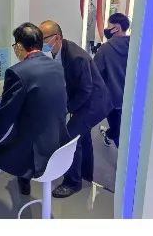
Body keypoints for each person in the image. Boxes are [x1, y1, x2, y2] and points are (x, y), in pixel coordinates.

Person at [0, 22, 69, 218]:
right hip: (58, 145)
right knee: (18, 134)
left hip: (35, 155)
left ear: (19, 47)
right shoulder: (56, 66)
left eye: (15, 45)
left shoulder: (17, 72)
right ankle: (24, 184)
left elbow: (4, 117)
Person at [39, 20, 111, 198]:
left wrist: (67, 108)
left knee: (69, 138)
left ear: (57, 37)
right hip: (86, 100)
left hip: (94, 103)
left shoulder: (75, 56)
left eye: (43, 38)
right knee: (82, 137)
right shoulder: (59, 51)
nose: (40, 42)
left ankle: (73, 182)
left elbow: (86, 89)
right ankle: (85, 174)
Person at [93, 13, 131, 148]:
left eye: (109, 26)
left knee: (118, 132)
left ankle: (111, 137)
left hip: (113, 100)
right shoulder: (135, 46)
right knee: (126, 129)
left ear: (117, 28)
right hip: (132, 99)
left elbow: (95, 74)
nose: (107, 30)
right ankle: (110, 135)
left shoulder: (104, 49)